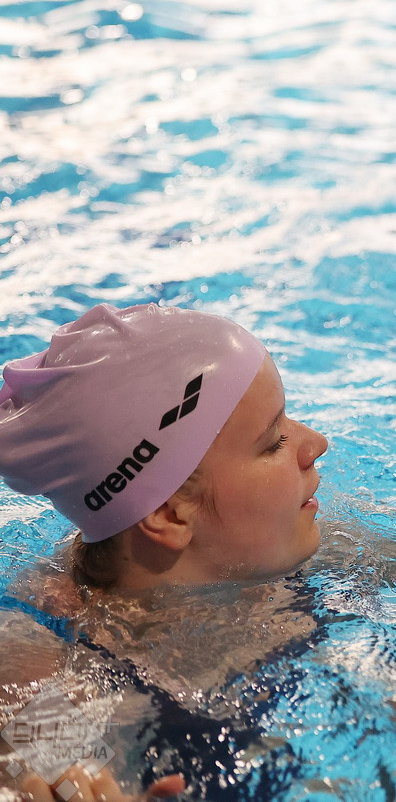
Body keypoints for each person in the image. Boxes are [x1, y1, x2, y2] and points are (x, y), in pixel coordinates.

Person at [0, 302, 328, 799]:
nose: (316, 443)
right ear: (170, 514)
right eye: (274, 440)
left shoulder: (308, 541)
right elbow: (60, 776)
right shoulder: (39, 661)